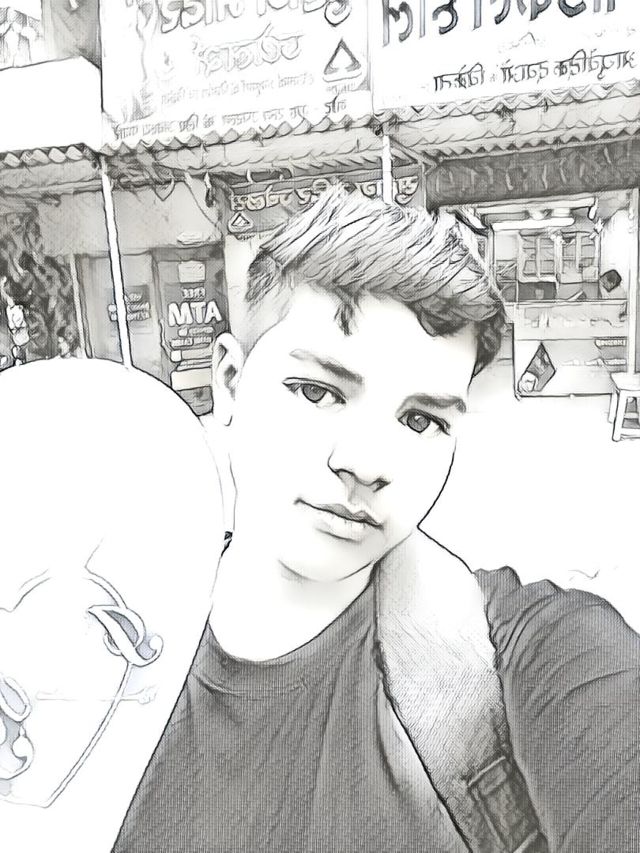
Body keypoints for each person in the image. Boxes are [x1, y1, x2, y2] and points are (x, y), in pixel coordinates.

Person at [114, 186, 639, 852]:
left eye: (420, 420)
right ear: (229, 383)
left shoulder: (527, 650)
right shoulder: (100, 659)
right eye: (317, 391)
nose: (365, 463)